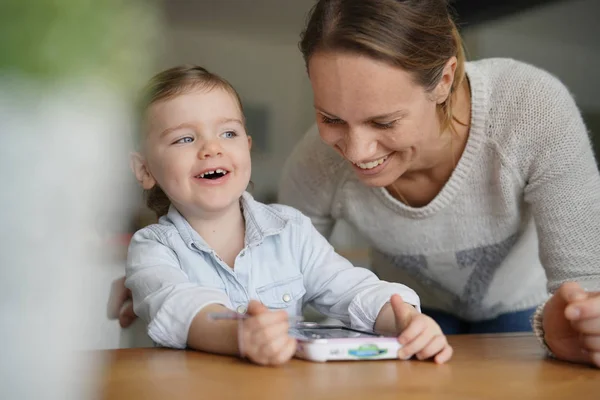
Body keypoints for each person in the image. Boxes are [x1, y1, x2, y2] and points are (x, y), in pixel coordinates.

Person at [277, 0, 600, 367]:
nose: (355, 151)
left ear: (444, 81)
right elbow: (279, 281)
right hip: (408, 318)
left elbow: (587, 284)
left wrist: (575, 323)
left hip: (528, 312)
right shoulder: (316, 162)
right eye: (331, 118)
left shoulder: (531, 108)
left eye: (383, 122)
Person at [124, 64, 453, 366]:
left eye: (228, 133)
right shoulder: (152, 248)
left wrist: (405, 320)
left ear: (247, 146)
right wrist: (239, 335)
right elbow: (178, 307)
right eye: (185, 138)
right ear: (144, 169)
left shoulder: (291, 230)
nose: (212, 148)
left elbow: (352, 290)